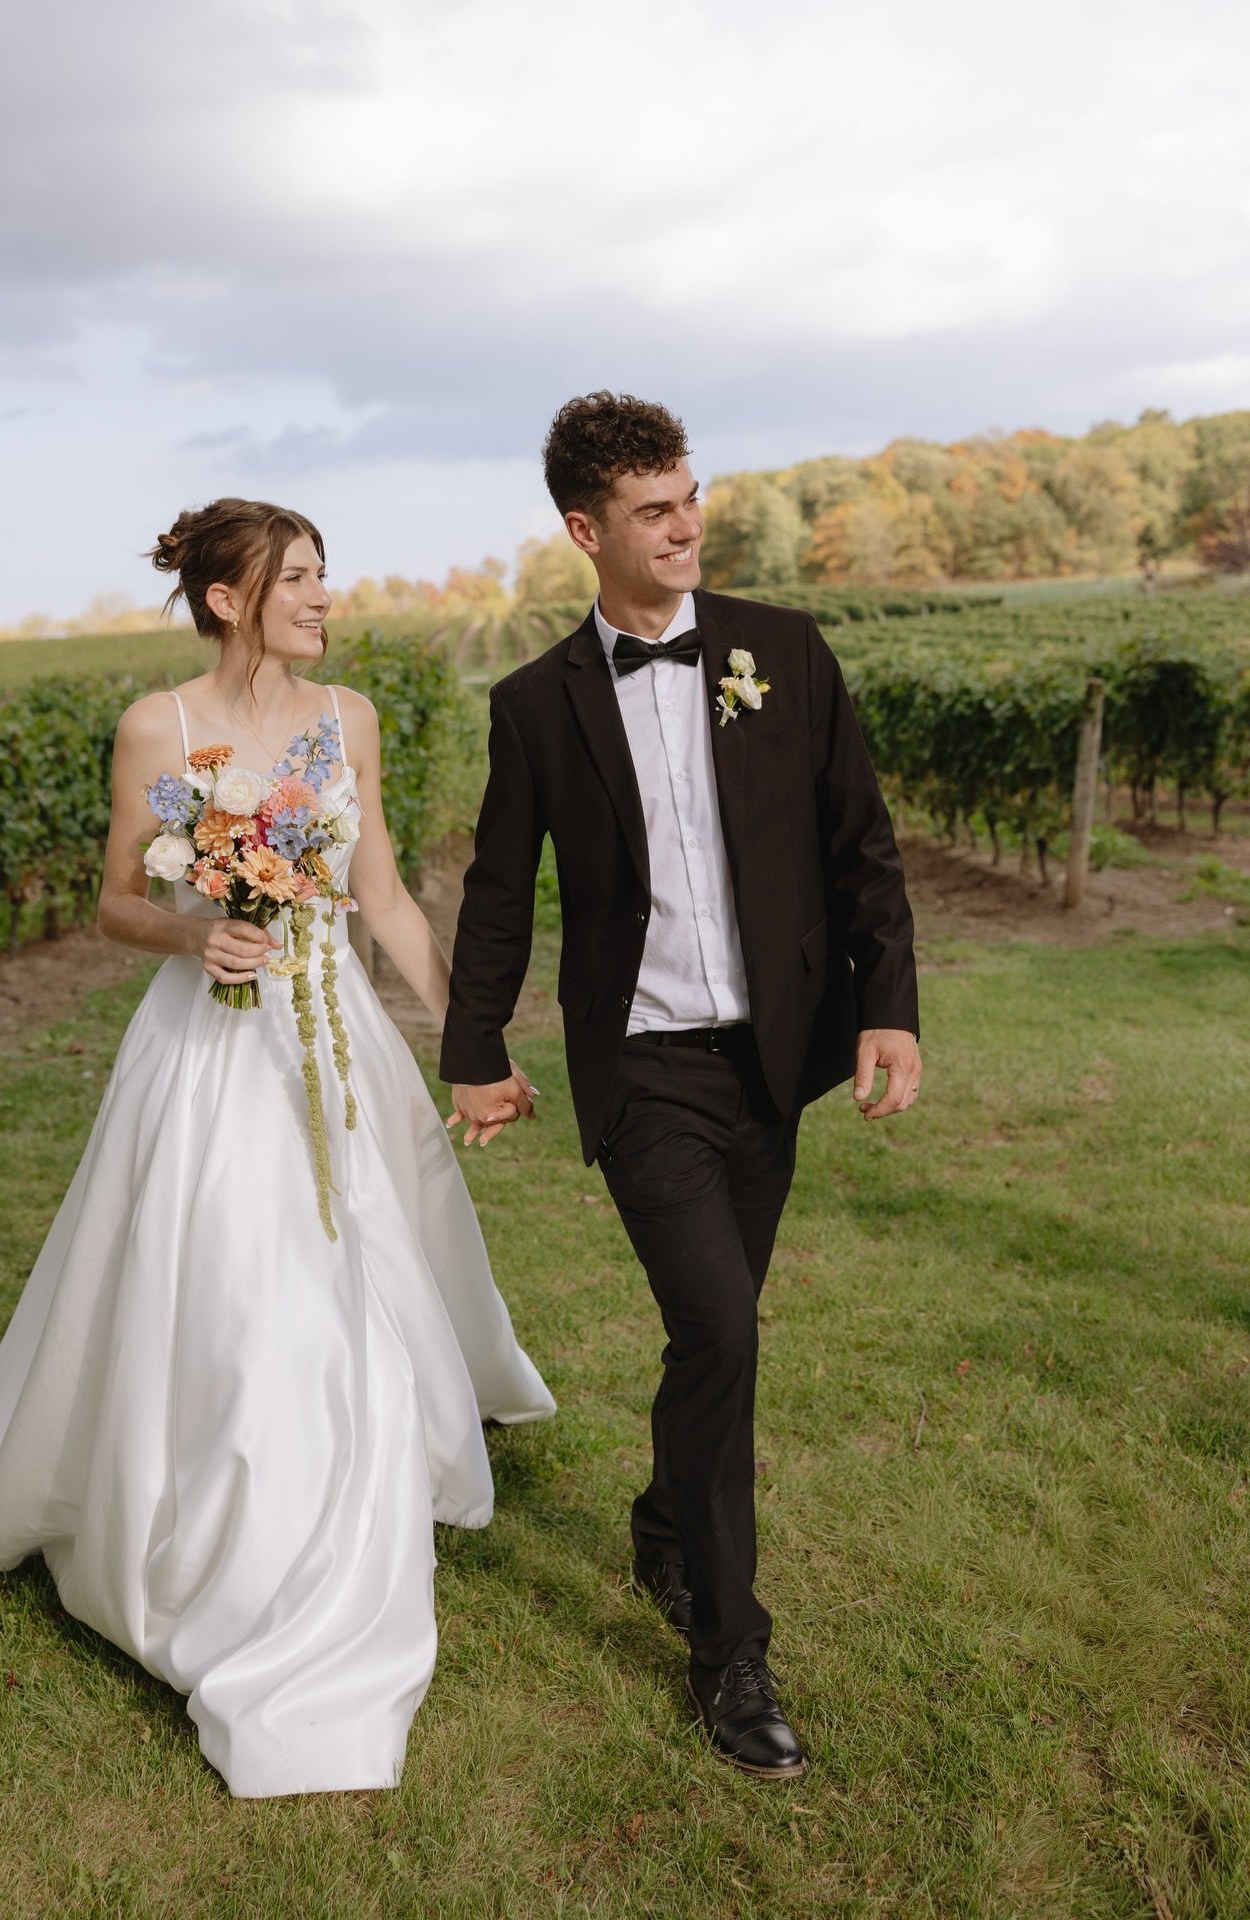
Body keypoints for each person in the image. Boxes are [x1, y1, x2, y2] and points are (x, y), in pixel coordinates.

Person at [0, 497, 554, 1798]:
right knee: (225, 1287)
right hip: (208, 1050)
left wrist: (472, 1041)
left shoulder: (350, 725)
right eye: (304, 581)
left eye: (329, 578)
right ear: (229, 597)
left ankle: (346, 1487)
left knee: (352, 1278)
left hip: (333, 1036)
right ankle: (214, 1528)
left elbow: (379, 891)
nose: (328, 600)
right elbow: (120, 896)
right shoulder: (158, 733)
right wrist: (193, 933)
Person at [441, 394, 920, 1780]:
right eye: (655, 510)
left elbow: (864, 851)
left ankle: (665, 1522)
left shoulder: (785, 651)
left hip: (770, 1064)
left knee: (717, 1338)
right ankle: (731, 1650)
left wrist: (884, 1013)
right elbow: (495, 896)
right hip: (644, 1072)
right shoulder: (537, 707)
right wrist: (475, 1050)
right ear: (587, 531)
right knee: (721, 1328)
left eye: (692, 497)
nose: (688, 525)